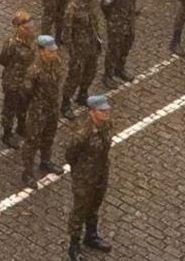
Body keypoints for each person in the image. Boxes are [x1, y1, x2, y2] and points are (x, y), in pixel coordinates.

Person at [65, 95, 114, 261]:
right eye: (102, 111)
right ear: (91, 112)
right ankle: (74, 245)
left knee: (94, 205)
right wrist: (79, 171)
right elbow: (70, 154)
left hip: (100, 173)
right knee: (80, 210)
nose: (106, 113)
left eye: (106, 110)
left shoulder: (107, 125)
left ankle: (91, 235)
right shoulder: (82, 133)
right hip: (84, 177)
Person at [21, 35, 65, 189]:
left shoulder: (56, 62)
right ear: (42, 51)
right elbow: (26, 93)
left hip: (52, 108)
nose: (54, 53)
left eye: (54, 51)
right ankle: (27, 172)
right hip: (38, 111)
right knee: (32, 141)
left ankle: (46, 161)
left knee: (49, 136)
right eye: (50, 51)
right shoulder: (34, 70)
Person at [61, 0, 104, 118]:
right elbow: (66, 34)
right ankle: (66, 103)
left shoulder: (92, 3)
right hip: (78, 49)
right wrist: (72, 51)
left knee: (90, 72)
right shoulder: (72, 9)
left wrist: (98, 40)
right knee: (74, 76)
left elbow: (95, 23)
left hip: (91, 46)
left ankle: (82, 94)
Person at [0, 11, 35, 148]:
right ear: (18, 27)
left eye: (31, 26)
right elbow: (2, 59)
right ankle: (7, 134)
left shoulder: (30, 39)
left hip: (25, 80)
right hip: (12, 81)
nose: (30, 29)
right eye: (26, 27)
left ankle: (21, 126)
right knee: (10, 108)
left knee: (24, 104)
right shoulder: (11, 43)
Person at [101, 0, 139, 88]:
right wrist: (112, 19)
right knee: (113, 50)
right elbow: (105, 4)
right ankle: (107, 75)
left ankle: (119, 68)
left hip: (128, 22)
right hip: (117, 24)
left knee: (126, 46)